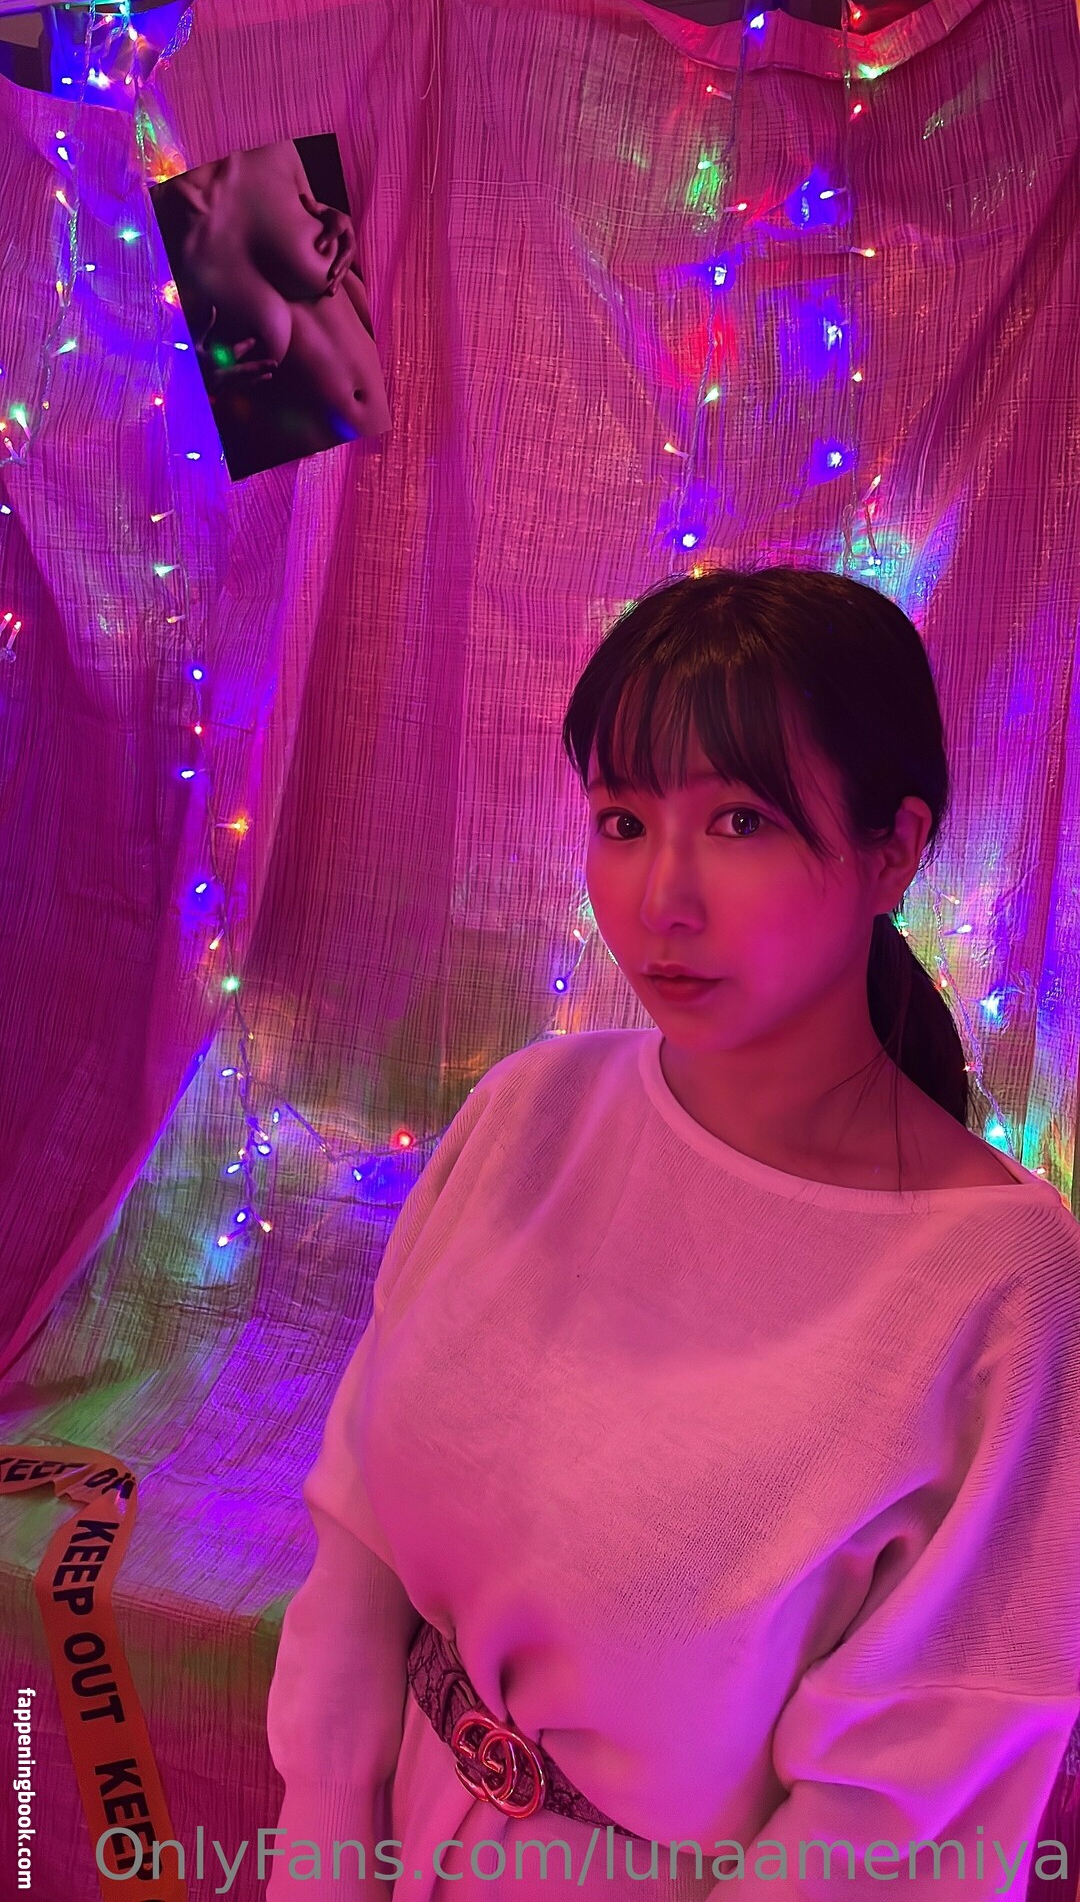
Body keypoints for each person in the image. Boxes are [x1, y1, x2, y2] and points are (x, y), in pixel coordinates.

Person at [264, 568, 1080, 1901]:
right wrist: (325, 1832)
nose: (663, 897)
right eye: (623, 821)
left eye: (742, 821)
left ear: (893, 848)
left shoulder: (999, 1281)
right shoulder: (532, 1108)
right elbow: (364, 1511)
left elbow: (902, 1809)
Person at [152, 139, 391, 476]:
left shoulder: (275, 152)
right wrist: (196, 380)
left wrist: (359, 232)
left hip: (399, 411)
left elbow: (348, 282)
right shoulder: (159, 230)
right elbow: (142, 377)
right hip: (312, 474)